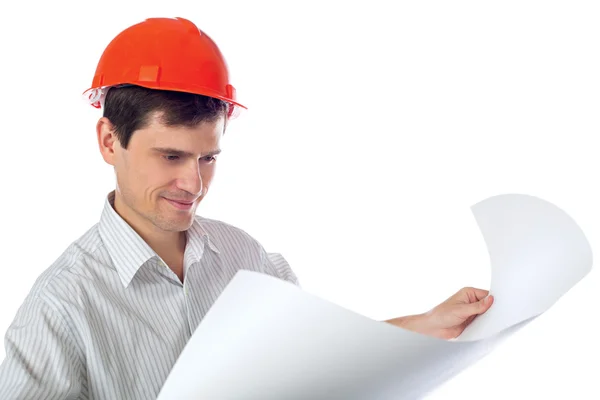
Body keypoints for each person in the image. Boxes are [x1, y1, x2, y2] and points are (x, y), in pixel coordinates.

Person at [0, 17, 494, 399]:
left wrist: (426, 325)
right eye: (171, 156)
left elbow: (316, 357)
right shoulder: (60, 308)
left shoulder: (242, 256)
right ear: (110, 141)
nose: (194, 183)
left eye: (208, 158)